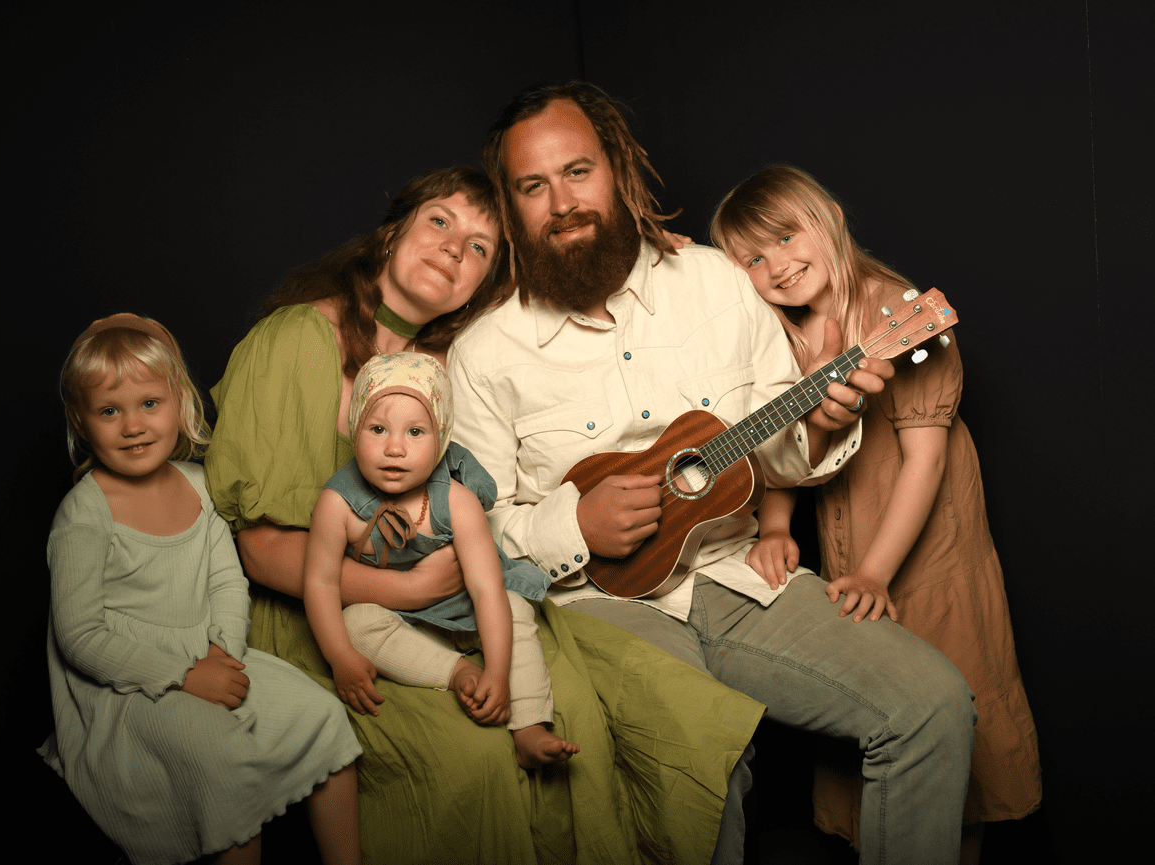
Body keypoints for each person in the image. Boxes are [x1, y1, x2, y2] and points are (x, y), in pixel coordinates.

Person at [448, 81, 977, 864]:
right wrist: (574, 524)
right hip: (598, 603)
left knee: (933, 703)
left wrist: (823, 419)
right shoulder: (485, 353)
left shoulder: (716, 282)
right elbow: (477, 532)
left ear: (619, 171)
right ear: (513, 204)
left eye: (578, 172)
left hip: (736, 575)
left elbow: (780, 443)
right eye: (533, 186)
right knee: (703, 758)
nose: (561, 202)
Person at [205, 166, 761, 864]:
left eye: (480, 248)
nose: (453, 249)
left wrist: (640, 251)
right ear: (391, 231)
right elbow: (260, 550)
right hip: (323, 618)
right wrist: (407, 588)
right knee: (472, 757)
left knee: (607, 709)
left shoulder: (450, 361)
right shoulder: (295, 341)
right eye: (441, 222)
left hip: (464, 600)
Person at [711, 165, 1041, 860]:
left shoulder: (896, 312)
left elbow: (924, 463)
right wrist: (774, 527)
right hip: (848, 551)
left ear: (828, 216)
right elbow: (787, 444)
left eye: (785, 236)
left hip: (928, 555)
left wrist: (875, 571)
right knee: (879, 723)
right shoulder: (786, 336)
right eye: (753, 259)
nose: (777, 264)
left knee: (959, 729)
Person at [40, 313, 362, 865]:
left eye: (149, 404)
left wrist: (222, 650)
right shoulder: (84, 513)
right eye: (109, 411)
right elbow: (80, 635)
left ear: (179, 402)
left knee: (324, 716)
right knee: (222, 761)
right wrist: (185, 676)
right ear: (81, 421)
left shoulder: (198, 485)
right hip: (128, 681)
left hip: (208, 650)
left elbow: (225, 582)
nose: (133, 426)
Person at [304, 351, 579, 768]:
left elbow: (486, 589)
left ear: (442, 437)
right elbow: (321, 584)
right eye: (377, 429)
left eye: (415, 432)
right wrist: (340, 657)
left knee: (515, 609)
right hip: (399, 614)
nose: (394, 448)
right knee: (354, 622)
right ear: (354, 428)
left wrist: (498, 674)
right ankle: (456, 673)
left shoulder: (456, 499)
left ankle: (528, 728)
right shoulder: (336, 504)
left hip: (469, 606)